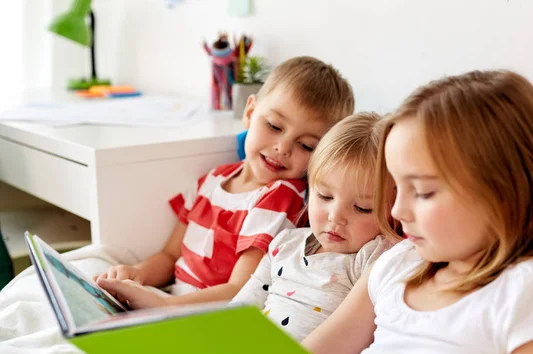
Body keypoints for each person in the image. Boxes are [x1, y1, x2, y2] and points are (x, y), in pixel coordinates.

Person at [288, 70, 533, 354]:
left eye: (422, 192)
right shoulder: (397, 266)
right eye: (397, 187)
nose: (396, 211)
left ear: (501, 192)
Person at [94, 56, 355, 309]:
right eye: (275, 126)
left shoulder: (281, 197)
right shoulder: (213, 179)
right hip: (173, 301)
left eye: (306, 145)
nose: (282, 148)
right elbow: (170, 257)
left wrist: (164, 305)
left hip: (210, 314)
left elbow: (240, 290)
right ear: (250, 112)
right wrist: (136, 274)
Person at [231, 113, 394, 342]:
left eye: (362, 208)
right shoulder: (284, 243)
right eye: (325, 196)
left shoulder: (373, 258)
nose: (335, 217)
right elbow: (242, 306)